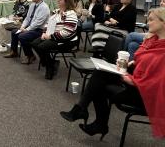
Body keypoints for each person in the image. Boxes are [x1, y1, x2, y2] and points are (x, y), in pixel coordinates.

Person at [60, 7, 165, 139]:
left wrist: (133, 81)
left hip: (144, 93)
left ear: (163, 23)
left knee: (99, 86)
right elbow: (145, 61)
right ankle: (85, 111)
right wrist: (133, 64)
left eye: (151, 20)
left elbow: (158, 82)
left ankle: (91, 116)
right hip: (136, 80)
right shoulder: (153, 40)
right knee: (100, 73)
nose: (147, 23)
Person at [31, 0, 78, 79]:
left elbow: (66, 33)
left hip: (67, 41)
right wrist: (44, 33)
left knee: (42, 47)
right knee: (34, 43)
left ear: (67, 2)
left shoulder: (71, 14)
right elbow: (47, 24)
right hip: (53, 36)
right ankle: (51, 62)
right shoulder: (56, 12)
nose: (58, 1)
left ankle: (50, 67)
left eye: (60, 0)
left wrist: (50, 37)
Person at [4, 0, 50, 64]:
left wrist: (27, 29)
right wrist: (23, 26)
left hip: (39, 30)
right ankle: (14, 52)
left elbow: (38, 23)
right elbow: (27, 18)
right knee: (14, 32)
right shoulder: (32, 5)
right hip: (31, 28)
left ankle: (30, 56)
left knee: (23, 36)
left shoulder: (44, 7)